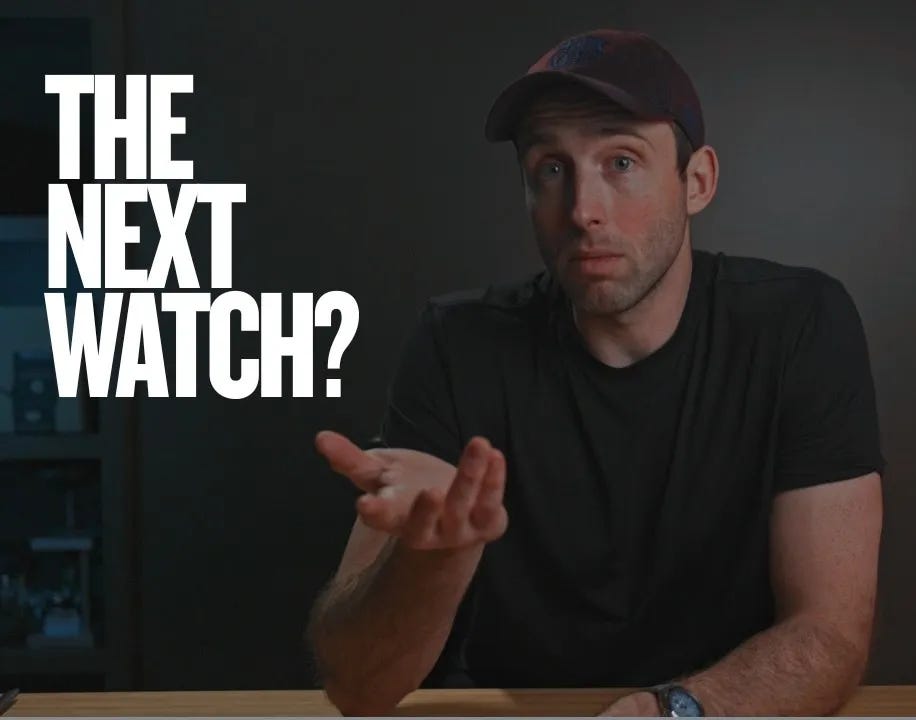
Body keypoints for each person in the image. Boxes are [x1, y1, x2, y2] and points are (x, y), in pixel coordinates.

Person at [306, 29, 885, 717]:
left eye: (622, 161)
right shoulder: (457, 344)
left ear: (696, 182)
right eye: (551, 168)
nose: (583, 210)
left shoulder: (798, 325)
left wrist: (671, 712)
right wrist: (429, 560)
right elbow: (357, 688)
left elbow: (830, 634)